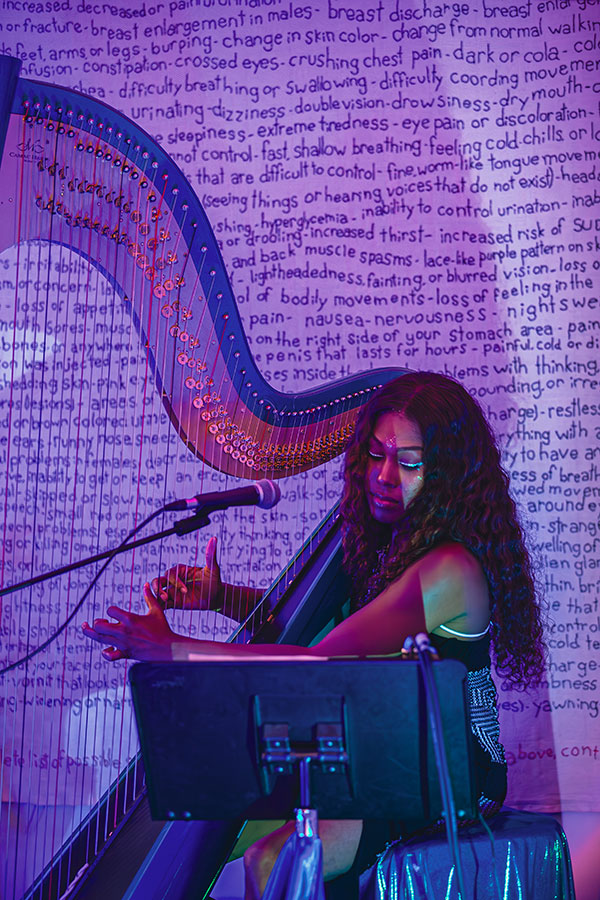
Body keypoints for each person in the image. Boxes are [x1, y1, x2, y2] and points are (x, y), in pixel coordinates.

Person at [82, 371, 545, 899]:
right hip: (385, 750)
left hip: (444, 771)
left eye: (409, 462)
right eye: (375, 454)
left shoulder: (449, 568)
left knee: (269, 860)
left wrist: (173, 651)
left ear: (448, 474)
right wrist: (221, 598)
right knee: (220, 822)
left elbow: (319, 663)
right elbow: (324, 638)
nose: (385, 475)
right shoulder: (391, 549)